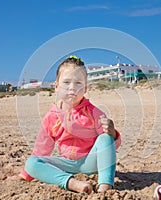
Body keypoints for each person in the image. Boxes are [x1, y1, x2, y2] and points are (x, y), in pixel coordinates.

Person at [9, 56, 121, 194]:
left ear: (85, 88)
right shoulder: (52, 116)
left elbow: (108, 146)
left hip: (90, 163)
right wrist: (24, 175)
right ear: (56, 86)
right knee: (32, 162)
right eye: (66, 82)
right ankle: (72, 183)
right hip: (65, 165)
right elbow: (42, 149)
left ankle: (105, 186)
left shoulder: (94, 113)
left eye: (78, 83)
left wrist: (113, 133)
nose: (72, 88)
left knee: (105, 138)